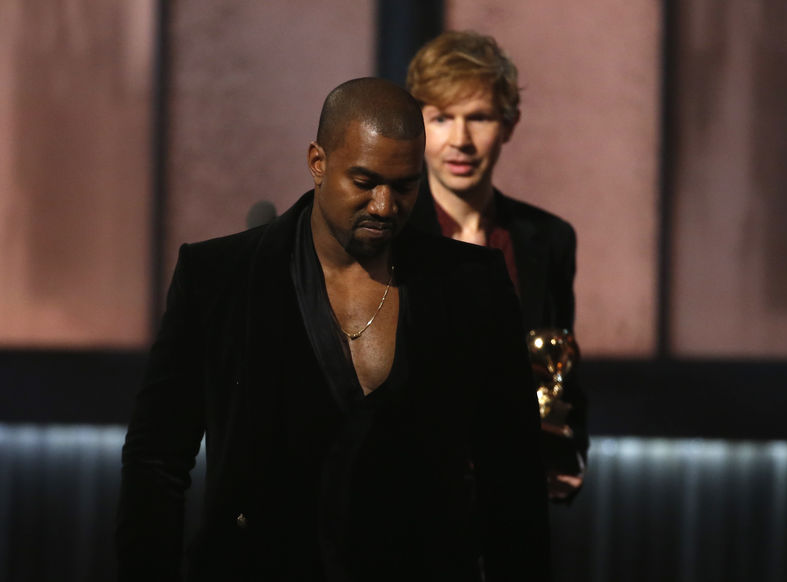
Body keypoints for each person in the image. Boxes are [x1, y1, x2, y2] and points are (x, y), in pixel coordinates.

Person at [116, 77, 550, 582]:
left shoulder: (473, 286)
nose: (385, 207)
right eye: (364, 182)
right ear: (318, 163)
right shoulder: (218, 278)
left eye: (405, 186)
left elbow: (513, 479)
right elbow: (156, 461)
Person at [406, 31, 588, 501]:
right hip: (404, 500)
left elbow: (561, 364)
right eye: (441, 118)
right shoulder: (389, 233)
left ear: (509, 125)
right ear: (417, 125)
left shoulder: (549, 238)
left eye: (479, 118)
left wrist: (570, 452)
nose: (460, 140)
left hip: (512, 497)